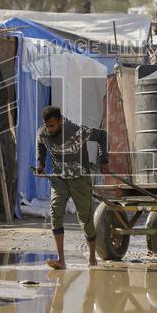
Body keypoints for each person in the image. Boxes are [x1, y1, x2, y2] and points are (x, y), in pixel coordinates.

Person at [33, 105, 109, 269]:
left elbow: (102, 135)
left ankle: (91, 257)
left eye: (52, 126)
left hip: (80, 179)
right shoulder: (43, 133)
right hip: (59, 179)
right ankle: (61, 260)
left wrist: (103, 160)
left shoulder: (76, 131)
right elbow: (40, 145)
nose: (50, 129)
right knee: (55, 213)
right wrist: (40, 164)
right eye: (47, 126)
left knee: (85, 219)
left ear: (60, 121)